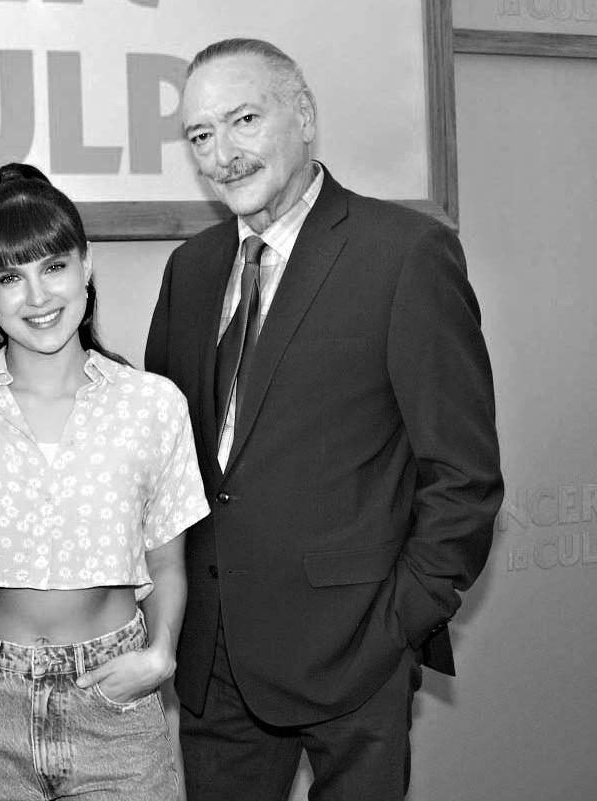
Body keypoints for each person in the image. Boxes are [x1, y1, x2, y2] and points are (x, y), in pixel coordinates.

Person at [144, 38, 504, 800]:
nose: (223, 154)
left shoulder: (405, 254)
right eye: (201, 135)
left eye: (244, 120)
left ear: (303, 115)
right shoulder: (191, 269)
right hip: (217, 662)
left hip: (355, 654)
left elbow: (463, 474)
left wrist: (399, 622)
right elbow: (168, 462)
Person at [0, 164, 209, 800]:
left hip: (114, 702)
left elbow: (166, 562)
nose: (37, 297)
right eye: (11, 277)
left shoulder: (151, 404)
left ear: (86, 265)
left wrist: (160, 654)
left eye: (54, 267)